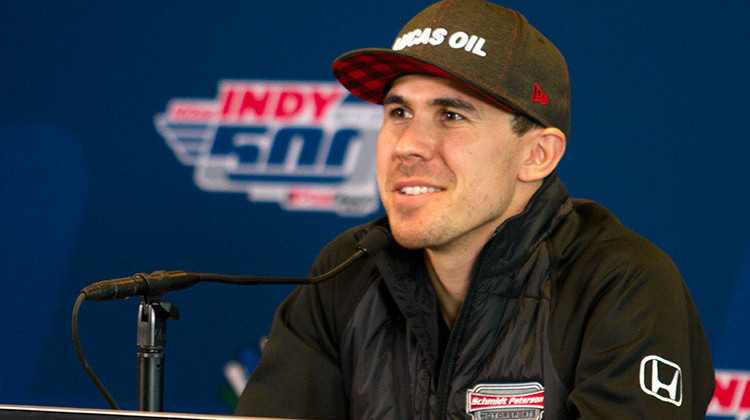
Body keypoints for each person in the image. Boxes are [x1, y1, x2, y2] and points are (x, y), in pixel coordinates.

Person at [234, 0, 715, 418]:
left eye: (451, 115)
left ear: (537, 155)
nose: (408, 146)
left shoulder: (619, 282)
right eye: (399, 112)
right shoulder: (348, 271)